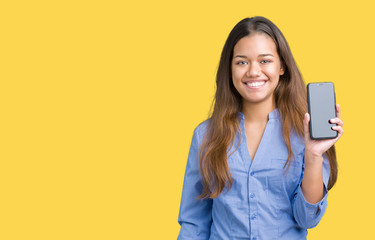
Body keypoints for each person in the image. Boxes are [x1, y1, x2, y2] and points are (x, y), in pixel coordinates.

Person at [177, 16, 344, 240]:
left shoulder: (304, 134)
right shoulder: (205, 135)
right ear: (230, 69)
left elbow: (307, 219)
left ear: (282, 66)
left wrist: (313, 155)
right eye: (242, 62)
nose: (253, 71)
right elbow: (194, 223)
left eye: (265, 61)